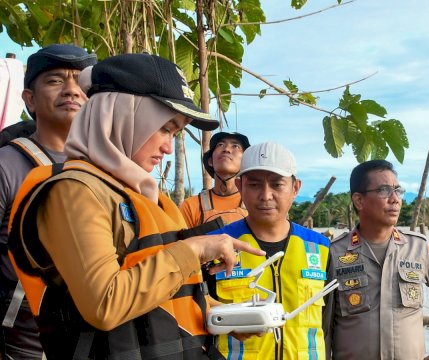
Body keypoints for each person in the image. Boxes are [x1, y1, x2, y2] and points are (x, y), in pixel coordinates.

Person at [7, 53, 265, 359]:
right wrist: (193, 250)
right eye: (165, 128)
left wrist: (225, 316)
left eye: (175, 132)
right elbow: (105, 304)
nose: (169, 147)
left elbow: (163, 301)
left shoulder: (149, 198)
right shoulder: (72, 191)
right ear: (122, 115)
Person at [0, 44, 97, 359]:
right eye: (56, 80)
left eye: (81, 83)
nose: (72, 90)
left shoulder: (108, 171)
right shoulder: (7, 165)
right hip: (21, 348)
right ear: (29, 98)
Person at [322, 160, 429, 360]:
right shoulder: (334, 253)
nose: (395, 199)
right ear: (359, 200)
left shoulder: (418, 248)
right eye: (384, 190)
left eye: (398, 190)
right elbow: (323, 322)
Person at [209, 142, 330, 360]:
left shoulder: (321, 248)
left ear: (295, 188)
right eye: (254, 185)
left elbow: (328, 324)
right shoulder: (216, 246)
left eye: (277, 185)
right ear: (240, 186)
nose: (266, 195)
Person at [180, 131, 250, 228]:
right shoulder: (191, 206)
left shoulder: (254, 202)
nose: (226, 149)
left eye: (235, 146)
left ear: (245, 162)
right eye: (220, 145)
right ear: (210, 161)